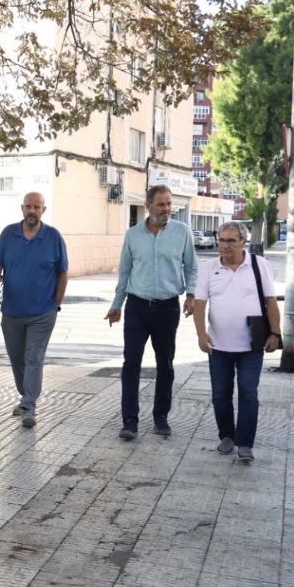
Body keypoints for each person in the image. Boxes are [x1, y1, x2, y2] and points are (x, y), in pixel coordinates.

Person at [105, 185, 198, 441]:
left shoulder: (183, 232)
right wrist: (117, 304)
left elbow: (191, 268)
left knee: (165, 365)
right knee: (131, 362)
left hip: (168, 308)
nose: (166, 209)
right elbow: (124, 272)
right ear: (148, 206)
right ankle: (129, 420)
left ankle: (161, 417)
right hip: (137, 307)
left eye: (169, 204)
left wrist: (191, 295)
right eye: (161, 204)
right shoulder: (133, 235)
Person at [192, 221, 281, 463]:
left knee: (248, 393)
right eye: (221, 240)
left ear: (243, 242)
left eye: (231, 241)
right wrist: (201, 334)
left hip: (251, 346)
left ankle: (245, 443)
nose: (224, 245)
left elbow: (271, 301)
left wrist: (275, 333)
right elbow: (200, 304)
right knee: (220, 394)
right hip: (218, 346)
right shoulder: (209, 268)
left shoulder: (258, 265)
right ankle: (226, 436)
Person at [0, 192, 69, 429]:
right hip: (12, 311)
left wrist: (56, 303)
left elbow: (63, 273)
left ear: (44, 209)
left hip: (42, 313)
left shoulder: (53, 237)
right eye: (28, 207)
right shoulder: (8, 234)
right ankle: (25, 396)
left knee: (33, 358)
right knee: (17, 358)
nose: (32, 211)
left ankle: (29, 405)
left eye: (37, 207)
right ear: (22, 208)